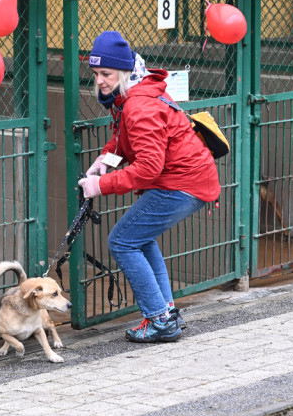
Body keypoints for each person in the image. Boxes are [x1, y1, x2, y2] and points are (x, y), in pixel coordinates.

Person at [77, 31, 220, 343]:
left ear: (125, 71)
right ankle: (165, 312)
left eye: (106, 73)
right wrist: (106, 158)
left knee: (122, 242)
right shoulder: (136, 92)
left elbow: (148, 167)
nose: (100, 81)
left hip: (181, 183)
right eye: (96, 73)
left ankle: (159, 319)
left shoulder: (139, 105)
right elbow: (126, 136)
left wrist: (100, 185)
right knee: (137, 238)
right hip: (187, 179)